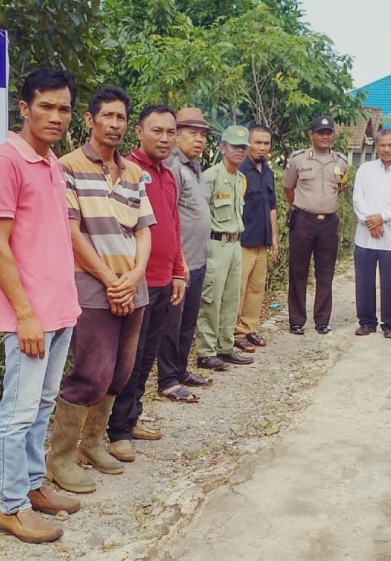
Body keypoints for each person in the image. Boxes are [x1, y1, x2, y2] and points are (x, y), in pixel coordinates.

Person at [0, 69, 81, 543]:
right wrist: (23, 314)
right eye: (46, 106)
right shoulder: (5, 162)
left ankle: (34, 485)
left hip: (60, 309)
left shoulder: (52, 163)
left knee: (41, 406)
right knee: (18, 411)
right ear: (24, 108)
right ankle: (11, 507)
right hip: (30, 315)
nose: (56, 116)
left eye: (64, 108)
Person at [49, 86, 155, 494]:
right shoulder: (68, 166)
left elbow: (143, 229)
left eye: (121, 117)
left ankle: (93, 443)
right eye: (107, 116)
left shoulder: (131, 173)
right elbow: (72, 232)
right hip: (92, 286)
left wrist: (134, 275)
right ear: (90, 120)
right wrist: (111, 280)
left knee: (120, 373)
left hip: (133, 285)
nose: (115, 124)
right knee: (90, 374)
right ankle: (60, 458)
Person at [107, 105, 187, 463]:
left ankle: (132, 417)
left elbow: (172, 225)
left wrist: (178, 270)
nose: (165, 138)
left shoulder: (168, 175)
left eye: (171, 132)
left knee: (147, 358)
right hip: (135, 280)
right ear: (139, 132)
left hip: (162, 280)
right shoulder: (128, 171)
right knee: (127, 360)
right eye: (157, 131)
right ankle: (117, 431)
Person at [157, 107, 215, 389]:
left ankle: (181, 371)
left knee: (188, 322)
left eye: (203, 134)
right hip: (179, 264)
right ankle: (167, 378)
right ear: (176, 135)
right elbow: (169, 218)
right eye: (192, 133)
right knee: (171, 325)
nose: (199, 139)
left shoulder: (195, 168)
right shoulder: (172, 167)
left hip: (197, 259)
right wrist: (178, 263)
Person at [195, 126, 255, 369]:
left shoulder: (241, 179)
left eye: (243, 147)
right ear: (222, 148)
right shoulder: (210, 176)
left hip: (234, 244)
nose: (240, 151)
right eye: (234, 146)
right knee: (211, 299)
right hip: (215, 243)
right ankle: (206, 351)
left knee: (232, 298)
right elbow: (200, 214)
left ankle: (225, 346)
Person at [284, 115, 348, 335]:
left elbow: (339, 189)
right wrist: (303, 208)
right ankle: (297, 321)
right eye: (320, 132)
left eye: (329, 132)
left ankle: (322, 320)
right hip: (303, 221)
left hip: (328, 223)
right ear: (311, 135)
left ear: (333, 135)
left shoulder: (341, 162)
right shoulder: (298, 159)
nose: (325, 136)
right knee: (298, 271)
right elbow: (288, 189)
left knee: (325, 273)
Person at [352, 128, 391, 339]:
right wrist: (371, 221)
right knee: (364, 281)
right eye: (382, 145)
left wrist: (382, 217)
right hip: (365, 237)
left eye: (390, 145)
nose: (386, 149)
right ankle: (367, 321)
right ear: (376, 146)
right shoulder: (365, 169)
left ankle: (390, 324)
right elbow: (357, 199)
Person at [234, 124, 279, 353]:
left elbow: (272, 207)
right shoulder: (239, 171)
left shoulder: (268, 172)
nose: (262, 148)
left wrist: (275, 238)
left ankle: (249, 328)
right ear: (249, 144)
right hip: (242, 242)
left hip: (262, 241)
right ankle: (234, 333)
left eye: (266, 143)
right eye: (258, 142)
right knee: (238, 290)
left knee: (256, 289)